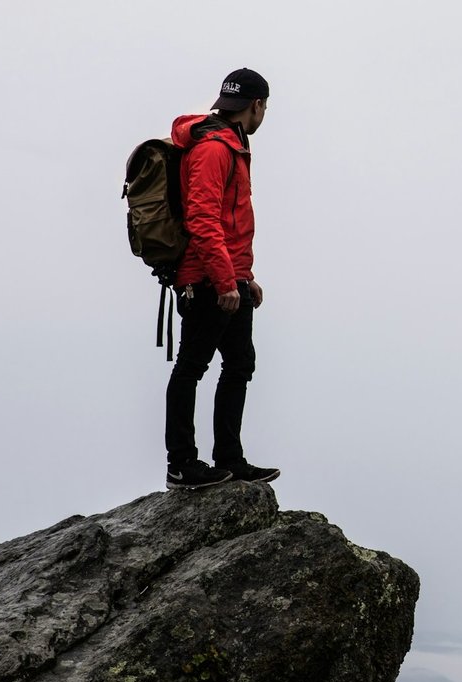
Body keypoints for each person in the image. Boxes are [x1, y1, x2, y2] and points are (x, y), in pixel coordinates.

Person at [164, 68, 279, 490]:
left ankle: (229, 459)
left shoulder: (233, 144)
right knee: (192, 366)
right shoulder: (214, 148)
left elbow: (230, 222)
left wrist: (245, 277)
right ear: (257, 105)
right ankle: (181, 464)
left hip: (230, 276)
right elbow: (202, 219)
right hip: (207, 278)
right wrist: (225, 280)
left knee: (239, 365)